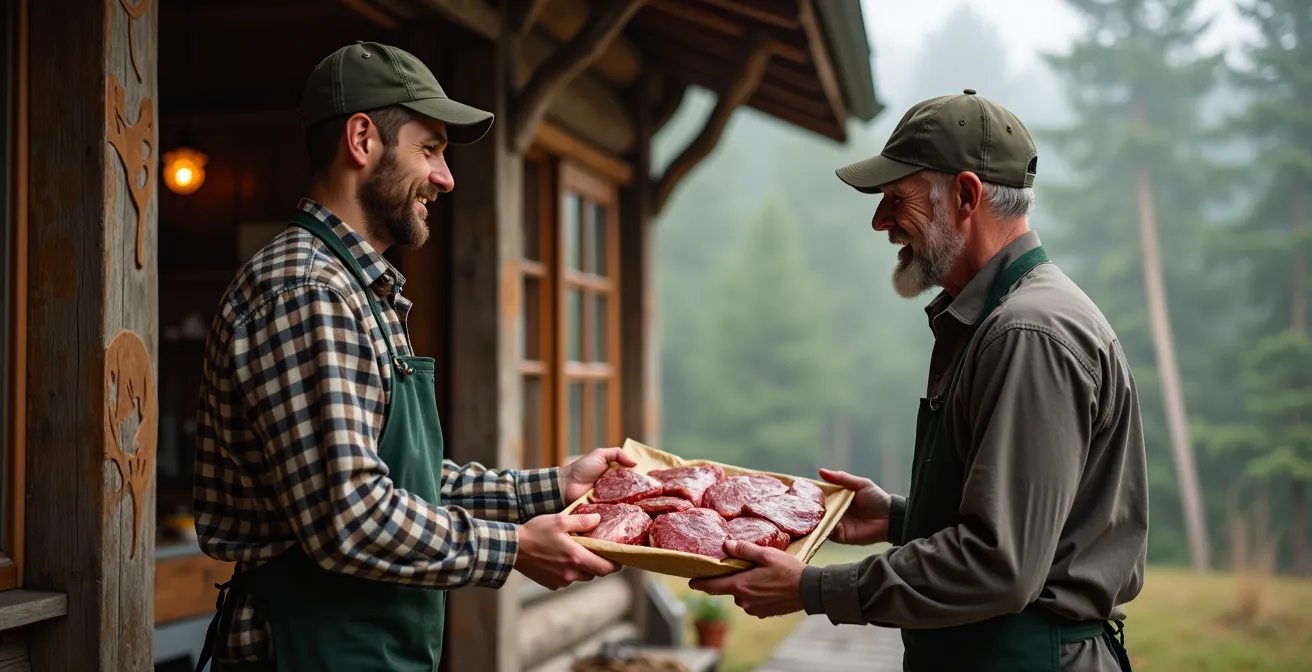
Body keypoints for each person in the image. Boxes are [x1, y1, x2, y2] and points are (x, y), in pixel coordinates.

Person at [191, 41, 630, 672]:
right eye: (430, 150)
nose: (445, 178)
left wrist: (554, 488)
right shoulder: (308, 291)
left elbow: (403, 483)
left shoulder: (355, 288)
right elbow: (351, 517)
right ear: (361, 140)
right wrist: (513, 548)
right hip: (307, 648)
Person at [689, 90, 1147, 672]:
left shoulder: (1027, 333)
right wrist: (897, 519)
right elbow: (1030, 527)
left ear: (966, 195)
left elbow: (1000, 565)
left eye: (896, 199)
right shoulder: (1002, 318)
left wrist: (814, 587)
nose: (880, 221)